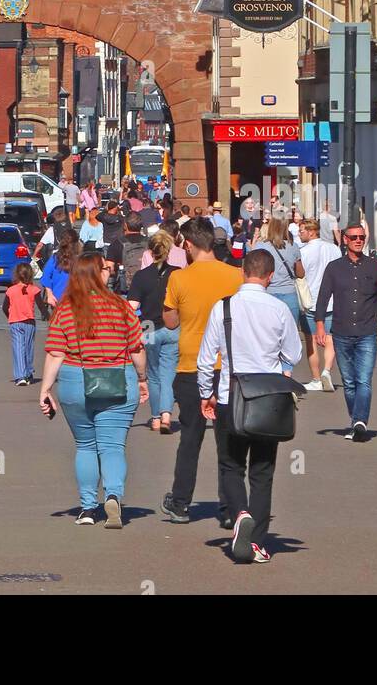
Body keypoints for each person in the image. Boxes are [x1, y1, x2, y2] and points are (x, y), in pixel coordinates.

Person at [198, 248, 304, 565]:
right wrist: (280, 369)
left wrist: (207, 393)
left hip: (232, 395)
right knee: (263, 471)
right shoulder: (279, 309)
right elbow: (294, 353)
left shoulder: (223, 307)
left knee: (230, 464)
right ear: (270, 276)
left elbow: (206, 358)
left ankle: (239, 513)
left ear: (243, 271)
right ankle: (256, 542)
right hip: (268, 400)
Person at [39, 252, 148, 528]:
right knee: (113, 446)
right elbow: (136, 348)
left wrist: (45, 388)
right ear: (99, 273)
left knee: (86, 446)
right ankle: (113, 494)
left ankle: (87, 508)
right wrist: (142, 377)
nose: (109, 273)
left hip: (76, 380)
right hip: (118, 379)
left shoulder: (65, 308)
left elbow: (55, 353)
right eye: (106, 269)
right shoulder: (121, 306)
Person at [160, 219, 242, 525]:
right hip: (231, 366)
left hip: (192, 366)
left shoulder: (179, 279)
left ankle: (181, 503)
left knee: (191, 438)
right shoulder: (236, 275)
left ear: (190, 245)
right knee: (228, 440)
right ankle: (229, 508)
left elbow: (170, 322)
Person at [313, 222, 377, 440]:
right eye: (354, 237)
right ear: (345, 240)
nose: (358, 240)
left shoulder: (375, 267)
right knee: (348, 382)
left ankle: (359, 421)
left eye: (362, 237)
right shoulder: (334, 267)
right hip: (341, 331)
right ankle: (355, 420)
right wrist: (320, 325)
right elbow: (323, 297)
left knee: (363, 380)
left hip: (367, 331)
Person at [127, 230, 180, 432]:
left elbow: (131, 306)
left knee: (153, 374)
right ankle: (167, 415)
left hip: (148, 326)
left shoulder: (141, 276)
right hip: (172, 325)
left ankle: (156, 417)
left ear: (150, 251)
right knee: (168, 374)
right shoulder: (177, 273)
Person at [297, 219, 339, 391]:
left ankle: (316, 378)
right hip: (331, 300)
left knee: (311, 340)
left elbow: (300, 274)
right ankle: (327, 371)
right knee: (330, 339)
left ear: (311, 231)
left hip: (310, 300)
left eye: (302, 230)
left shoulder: (303, 251)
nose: (299, 233)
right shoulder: (333, 248)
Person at [249, 214, 305, 327]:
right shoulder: (293, 246)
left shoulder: (261, 246)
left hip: (267, 293)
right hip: (289, 294)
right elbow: (301, 273)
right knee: (289, 335)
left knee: (267, 334)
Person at [4, 262, 41, 385]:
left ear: (16, 275)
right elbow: (42, 307)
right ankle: (28, 372)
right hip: (30, 322)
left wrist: (11, 315)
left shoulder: (10, 290)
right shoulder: (34, 289)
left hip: (15, 322)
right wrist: (48, 316)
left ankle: (21, 376)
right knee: (28, 347)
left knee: (18, 347)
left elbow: (4, 307)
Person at [40, 231, 78, 310]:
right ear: (76, 243)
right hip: (74, 300)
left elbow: (45, 277)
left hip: (58, 300)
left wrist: (49, 295)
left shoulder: (55, 258)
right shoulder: (80, 260)